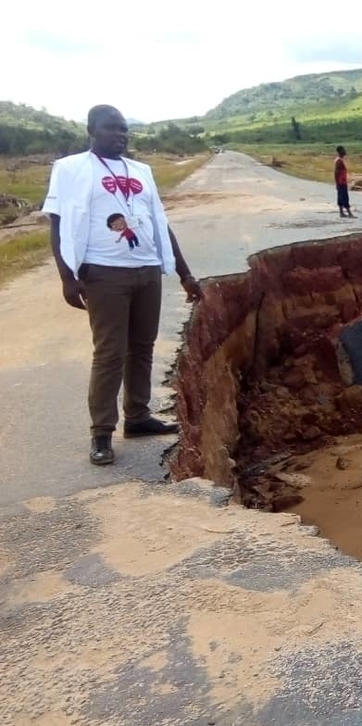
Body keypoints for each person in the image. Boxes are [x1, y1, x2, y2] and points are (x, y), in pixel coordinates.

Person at [43, 104, 204, 466]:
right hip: (103, 272)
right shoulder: (70, 168)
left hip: (146, 269)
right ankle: (101, 432)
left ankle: (137, 417)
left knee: (142, 346)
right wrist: (67, 277)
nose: (121, 134)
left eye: (124, 129)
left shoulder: (141, 171)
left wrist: (185, 273)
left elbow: (160, 222)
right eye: (112, 128)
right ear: (92, 130)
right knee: (110, 352)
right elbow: (56, 223)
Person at [334, 145, 355, 218]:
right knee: (345, 197)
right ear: (340, 151)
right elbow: (336, 172)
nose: (345, 151)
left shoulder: (339, 160)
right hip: (341, 182)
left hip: (341, 181)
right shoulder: (339, 161)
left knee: (340, 197)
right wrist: (337, 183)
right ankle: (350, 214)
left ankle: (341, 213)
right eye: (343, 150)